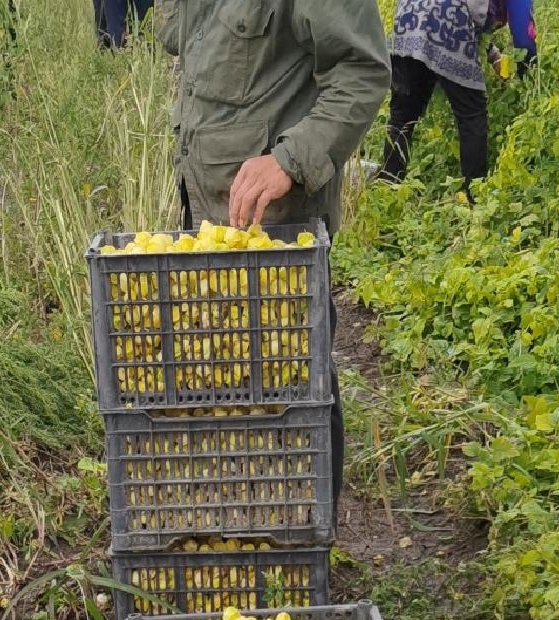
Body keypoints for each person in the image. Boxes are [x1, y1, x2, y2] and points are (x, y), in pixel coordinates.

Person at [158, 1, 389, 501]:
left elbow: (362, 71)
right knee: (224, 375)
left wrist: (288, 160)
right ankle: (241, 516)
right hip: (208, 205)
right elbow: (183, 38)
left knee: (296, 383)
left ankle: (306, 536)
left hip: (276, 224)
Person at [377, 2, 536, 193]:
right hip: (449, 21)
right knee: (471, 115)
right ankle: (474, 194)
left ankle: (387, 187)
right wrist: (527, 77)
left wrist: (493, 54)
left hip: (407, 21)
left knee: (402, 117)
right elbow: (524, 40)